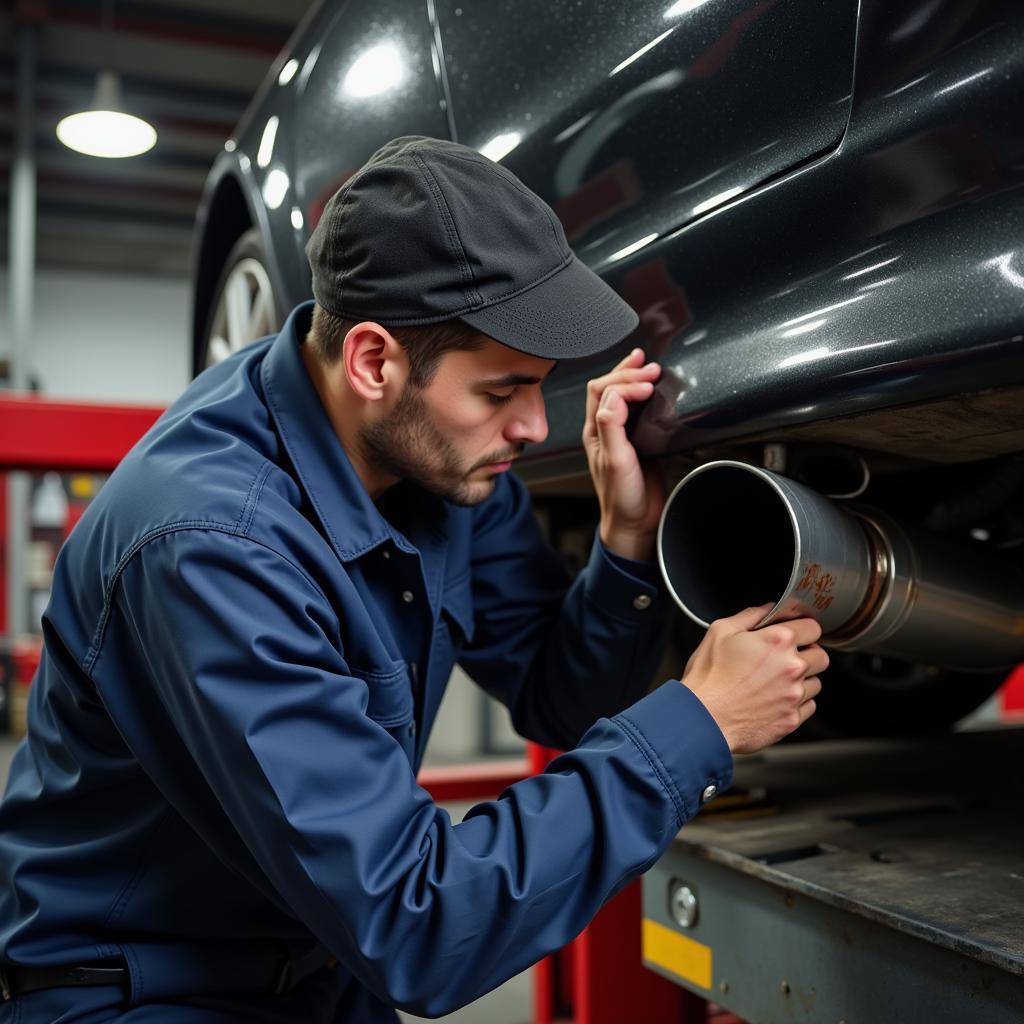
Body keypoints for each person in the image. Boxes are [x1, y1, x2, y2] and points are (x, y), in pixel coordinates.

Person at [0, 137, 826, 1022]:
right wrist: (698, 723)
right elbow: (416, 922)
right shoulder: (214, 545)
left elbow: (557, 698)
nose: (528, 427)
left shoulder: (434, 461)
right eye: (500, 390)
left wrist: (626, 543)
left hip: (321, 966)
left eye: (539, 389)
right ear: (373, 362)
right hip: (145, 993)